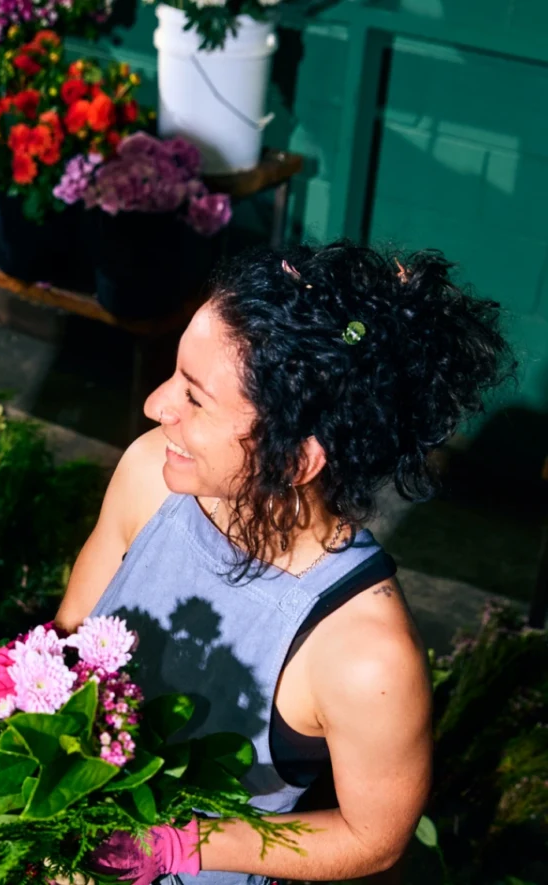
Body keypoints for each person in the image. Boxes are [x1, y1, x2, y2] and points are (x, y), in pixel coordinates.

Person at [56, 243, 511, 884]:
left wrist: (177, 844)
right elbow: (70, 631)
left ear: (296, 460)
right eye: (174, 376)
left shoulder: (363, 656)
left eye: (195, 398)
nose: (157, 406)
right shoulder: (151, 474)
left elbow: (372, 839)